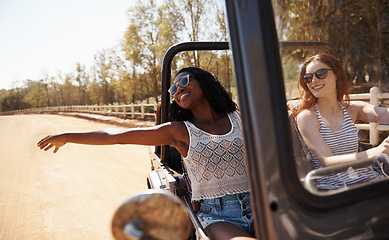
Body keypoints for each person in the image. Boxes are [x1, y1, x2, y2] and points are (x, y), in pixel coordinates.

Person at [37, 67, 255, 240]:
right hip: (218, 216)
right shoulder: (178, 131)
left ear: (205, 82)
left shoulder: (240, 118)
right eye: (173, 89)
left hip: (262, 202)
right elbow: (117, 136)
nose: (178, 89)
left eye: (184, 81)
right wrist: (66, 136)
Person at [294, 53, 389, 190]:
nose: (313, 81)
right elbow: (328, 162)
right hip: (337, 191)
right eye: (308, 78)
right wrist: (375, 152)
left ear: (337, 74)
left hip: (370, 180)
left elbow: (382, 114)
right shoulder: (307, 117)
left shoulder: (353, 109)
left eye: (320, 73)